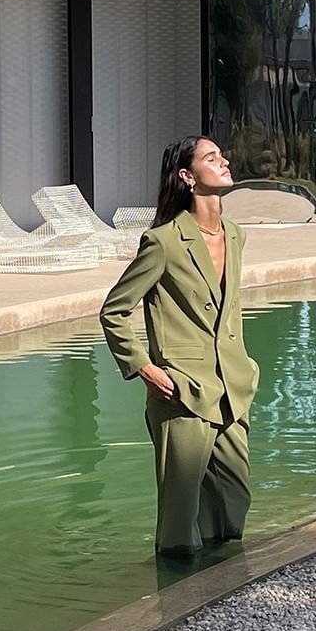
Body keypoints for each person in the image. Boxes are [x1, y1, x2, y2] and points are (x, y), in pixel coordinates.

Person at [99, 136, 259, 557]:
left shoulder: (236, 236)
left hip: (232, 390)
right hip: (182, 391)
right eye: (211, 157)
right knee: (179, 515)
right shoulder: (163, 242)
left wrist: (245, 367)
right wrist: (145, 369)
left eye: (222, 155)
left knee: (235, 500)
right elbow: (114, 311)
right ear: (187, 176)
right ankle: (177, 586)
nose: (224, 161)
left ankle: (224, 579)